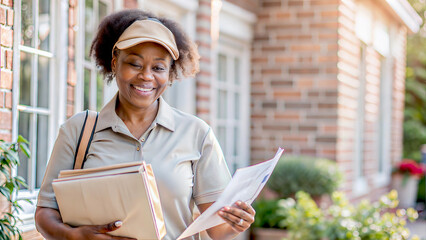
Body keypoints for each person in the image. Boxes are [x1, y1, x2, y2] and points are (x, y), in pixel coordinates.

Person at [35, 9, 255, 240]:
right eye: (135, 63)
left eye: (158, 68)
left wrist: (237, 220)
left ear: (170, 73)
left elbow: (218, 228)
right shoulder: (78, 130)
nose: (146, 76)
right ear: (115, 63)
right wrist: (76, 237)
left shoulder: (196, 133)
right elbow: (45, 212)